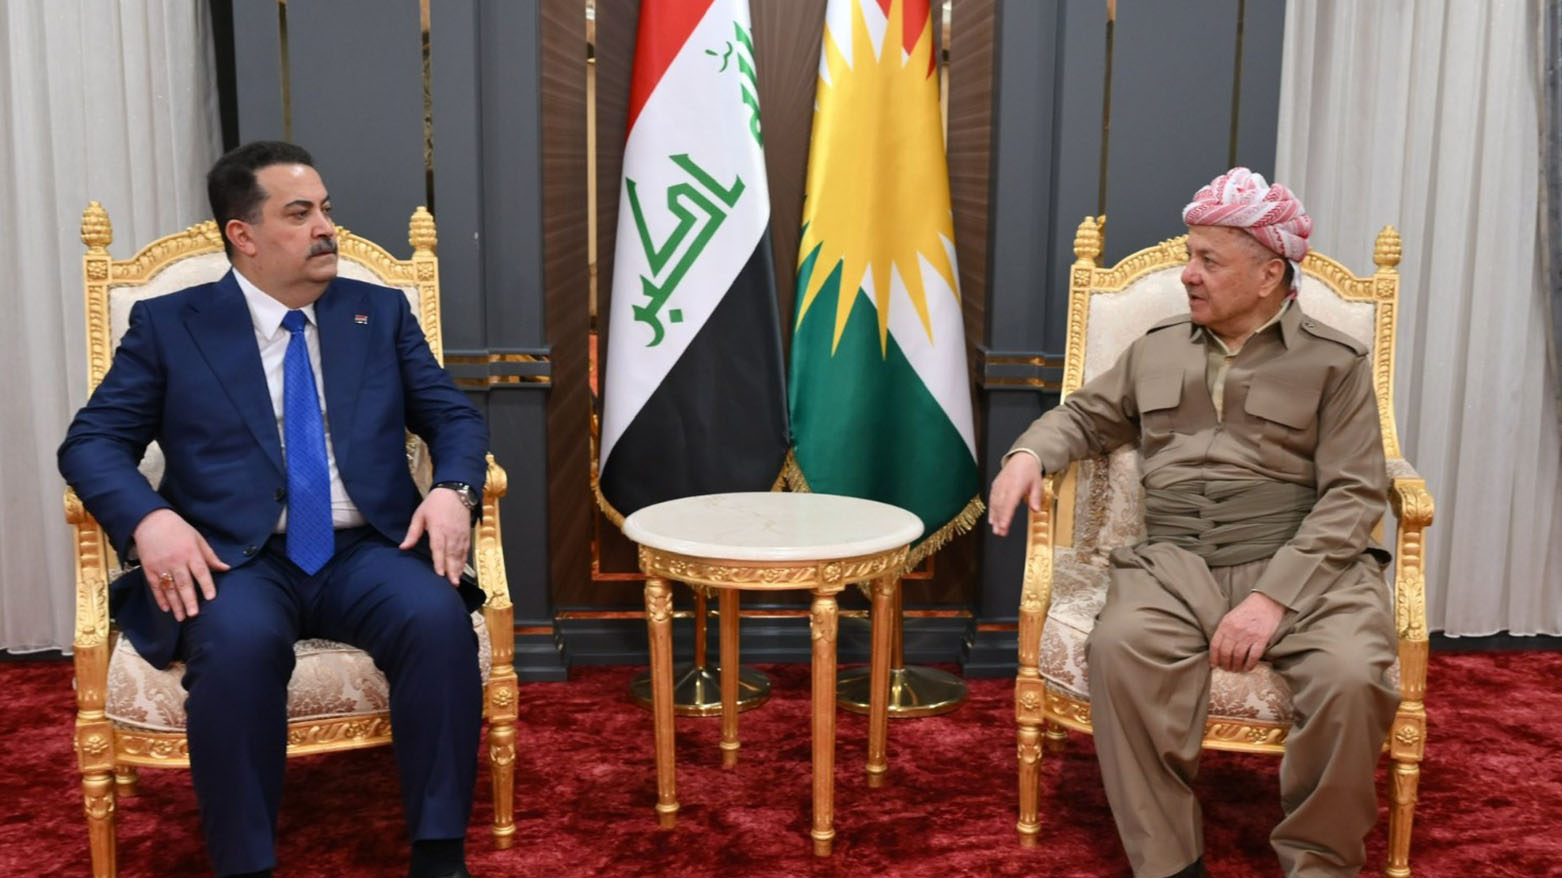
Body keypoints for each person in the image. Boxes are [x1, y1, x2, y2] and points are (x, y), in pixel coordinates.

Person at [59, 141, 489, 878]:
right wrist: (149, 520)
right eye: (301, 213)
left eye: (326, 209)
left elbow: (453, 419)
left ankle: (440, 853)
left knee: (436, 621)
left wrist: (452, 491)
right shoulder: (170, 325)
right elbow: (93, 442)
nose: (328, 227)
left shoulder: (377, 312)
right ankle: (246, 864)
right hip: (235, 559)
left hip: (367, 549)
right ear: (244, 235)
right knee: (237, 649)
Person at [987, 168, 1399, 878]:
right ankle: (1171, 864)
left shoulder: (1336, 364)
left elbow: (1354, 495)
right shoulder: (1158, 346)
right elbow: (1086, 416)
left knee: (1353, 674)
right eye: (1189, 255)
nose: (1188, 275)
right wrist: (1027, 453)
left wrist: (1272, 601)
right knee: (1120, 649)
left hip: (1302, 566)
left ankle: (1321, 865)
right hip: (1174, 562)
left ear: (1270, 273)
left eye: (1209, 260)